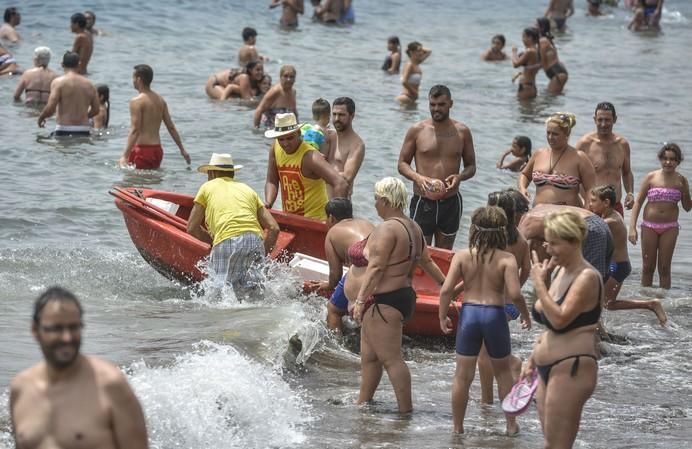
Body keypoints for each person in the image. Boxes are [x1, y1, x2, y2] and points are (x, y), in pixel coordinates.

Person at [348, 177, 448, 413]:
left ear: (385, 200)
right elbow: (428, 261)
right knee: (371, 357)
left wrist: (360, 300)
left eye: (376, 199)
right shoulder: (413, 227)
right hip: (401, 297)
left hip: (384, 301)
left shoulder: (387, 228)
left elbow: (376, 267)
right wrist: (446, 286)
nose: (374, 204)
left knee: (392, 359)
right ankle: (363, 403)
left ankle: (406, 411)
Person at [10, 286, 149, 449]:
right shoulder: (21, 388)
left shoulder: (110, 385)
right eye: (56, 328)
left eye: (74, 327)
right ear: (35, 330)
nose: (67, 337)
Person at [439, 206, 530, 434]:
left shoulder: (462, 256)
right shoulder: (507, 259)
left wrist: (442, 316)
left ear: (473, 229)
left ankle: (458, 428)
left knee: (462, 375)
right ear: (502, 231)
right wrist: (526, 315)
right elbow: (516, 294)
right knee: (503, 373)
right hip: (494, 315)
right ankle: (510, 425)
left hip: (469, 314)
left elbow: (446, 290)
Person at [521, 209, 601, 449]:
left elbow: (560, 320)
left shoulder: (587, 276)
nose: (548, 249)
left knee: (557, 445)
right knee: (549, 441)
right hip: (548, 365)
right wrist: (532, 359)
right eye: (547, 242)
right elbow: (547, 323)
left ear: (574, 241)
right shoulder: (559, 270)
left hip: (572, 367)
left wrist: (538, 284)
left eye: (554, 243)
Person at [188, 153, 279, 297]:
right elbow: (274, 228)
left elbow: (192, 227)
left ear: (212, 173)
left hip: (227, 239)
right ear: (232, 174)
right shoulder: (247, 189)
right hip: (255, 239)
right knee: (254, 295)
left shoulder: (207, 187)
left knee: (218, 296)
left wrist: (213, 242)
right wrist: (263, 253)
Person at [398, 85, 476, 249]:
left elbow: (471, 167)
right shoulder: (417, 130)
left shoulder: (462, 132)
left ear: (450, 104)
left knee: (444, 253)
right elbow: (402, 164)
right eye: (432, 104)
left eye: (441, 104)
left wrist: (459, 177)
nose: (436, 109)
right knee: (419, 252)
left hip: (451, 202)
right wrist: (418, 177)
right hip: (423, 201)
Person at [477, 191, 532, 405]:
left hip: (491, 304)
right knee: (491, 349)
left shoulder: (492, 239)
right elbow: (527, 268)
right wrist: (515, 286)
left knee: (484, 354)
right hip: (511, 306)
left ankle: (487, 399)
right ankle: (511, 367)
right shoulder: (520, 239)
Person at [589, 185, 667, 324]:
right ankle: (600, 332)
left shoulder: (610, 221)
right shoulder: (612, 215)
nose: (590, 204)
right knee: (605, 303)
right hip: (614, 265)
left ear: (606, 203)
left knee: (603, 303)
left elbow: (587, 226)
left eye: (593, 201)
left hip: (618, 266)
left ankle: (651, 304)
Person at [305, 198, 374, 334]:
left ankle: (336, 345)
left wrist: (328, 285)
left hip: (364, 273)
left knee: (333, 310)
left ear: (331, 217)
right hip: (384, 270)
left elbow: (335, 275)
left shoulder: (333, 233)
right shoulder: (367, 223)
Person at [629, 143, 691, 289]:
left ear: (678, 161)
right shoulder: (651, 177)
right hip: (649, 226)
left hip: (670, 228)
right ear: (660, 159)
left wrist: (687, 193)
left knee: (664, 268)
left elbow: (687, 208)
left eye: (672, 159)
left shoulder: (681, 181)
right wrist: (632, 228)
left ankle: (664, 302)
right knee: (647, 267)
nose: (668, 162)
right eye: (665, 158)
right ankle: (644, 301)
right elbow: (638, 202)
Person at [264, 112, 348, 220]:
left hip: (315, 220)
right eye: (281, 139)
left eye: (290, 138)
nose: (285, 144)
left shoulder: (310, 157)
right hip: (290, 218)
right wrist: (268, 202)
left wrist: (337, 219)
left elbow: (341, 184)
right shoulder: (275, 148)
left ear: (298, 133)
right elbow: (271, 180)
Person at [119, 64, 191, 169]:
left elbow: (135, 130)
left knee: (135, 182)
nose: (133, 81)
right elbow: (171, 127)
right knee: (153, 182)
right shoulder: (160, 101)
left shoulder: (136, 102)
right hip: (157, 151)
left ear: (139, 79)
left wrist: (125, 156)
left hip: (142, 150)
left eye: (133, 77)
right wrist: (182, 150)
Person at [519, 112, 596, 208]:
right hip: (538, 214)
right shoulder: (539, 154)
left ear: (567, 134)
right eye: (548, 133)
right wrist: (522, 189)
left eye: (555, 134)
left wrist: (587, 211)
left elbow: (591, 190)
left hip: (567, 217)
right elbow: (525, 175)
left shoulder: (579, 158)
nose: (550, 137)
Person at [519, 203, 613, 280]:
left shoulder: (528, 221)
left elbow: (516, 259)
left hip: (588, 228)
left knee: (587, 281)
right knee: (599, 281)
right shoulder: (539, 209)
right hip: (599, 223)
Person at [576, 102, 634, 217]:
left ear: (615, 119)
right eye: (600, 120)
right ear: (594, 119)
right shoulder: (585, 144)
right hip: (592, 207)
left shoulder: (622, 144)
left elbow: (627, 173)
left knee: (617, 235)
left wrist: (630, 193)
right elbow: (575, 176)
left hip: (615, 206)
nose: (603, 124)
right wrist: (583, 202)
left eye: (607, 120)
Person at [37, 52, 99, 137]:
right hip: (84, 130)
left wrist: (42, 117)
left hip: (64, 129)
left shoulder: (58, 82)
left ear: (62, 64)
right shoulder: (89, 84)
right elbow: (96, 109)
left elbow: (51, 107)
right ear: (79, 64)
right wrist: (84, 116)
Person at [325, 97, 365, 198]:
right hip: (319, 201)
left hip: (338, 204)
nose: (337, 119)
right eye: (334, 114)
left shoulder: (356, 145)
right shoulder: (328, 136)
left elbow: (347, 177)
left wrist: (317, 169)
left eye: (341, 115)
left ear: (352, 116)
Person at [253, 65, 298, 129]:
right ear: (280, 77)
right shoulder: (275, 91)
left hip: (286, 129)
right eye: (285, 76)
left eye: (291, 77)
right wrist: (256, 130)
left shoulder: (293, 92)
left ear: (295, 79)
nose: (288, 79)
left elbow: (294, 113)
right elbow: (259, 111)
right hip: (270, 129)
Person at [536, 17, 568, 95]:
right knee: (552, 98)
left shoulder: (543, 41)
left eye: (536, 25)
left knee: (550, 97)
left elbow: (543, 60)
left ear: (542, 27)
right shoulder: (546, 39)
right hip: (558, 72)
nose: (534, 26)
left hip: (557, 73)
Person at [395, 41, 431, 106]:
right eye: (419, 51)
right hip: (406, 97)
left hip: (411, 99)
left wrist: (419, 48)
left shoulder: (417, 63)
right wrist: (415, 92)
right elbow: (404, 82)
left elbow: (429, 51)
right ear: (411, 52)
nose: (421, 52)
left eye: (421, 50)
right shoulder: (409, 65)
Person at [510, 28, 540, 100]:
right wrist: (519, 74)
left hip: (525, 87)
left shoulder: (530, 51)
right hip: (531, 86)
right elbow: (530, 68)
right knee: (529, 110)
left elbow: (515, 64)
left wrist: (514, 52)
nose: (522, 39)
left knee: (524, 110)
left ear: (530, 38)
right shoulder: (537, 51)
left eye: (524, 36)